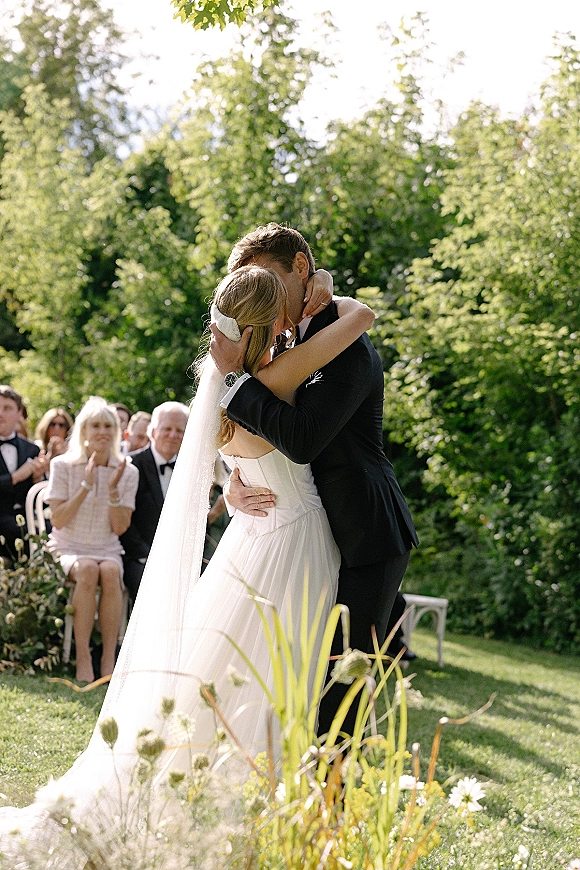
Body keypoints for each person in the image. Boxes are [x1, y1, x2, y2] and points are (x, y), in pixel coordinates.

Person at [0, 264, 375, 856]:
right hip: (296, 544)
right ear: (269, 324)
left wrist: (233, 484)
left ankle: (261, 810)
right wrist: (326, 298)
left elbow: (232, 454)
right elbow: (359, 319)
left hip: (255, 543)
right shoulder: (276, 378)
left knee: (230, 677)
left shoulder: (217, 381)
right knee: (278, 678)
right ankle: (273, 817)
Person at [210, 223, 419, 736]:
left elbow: (302, 440)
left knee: (343, 682)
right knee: (301, 671)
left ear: (301, 269)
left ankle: (332, 804)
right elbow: (243, 437)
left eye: (268, 280)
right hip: (313, 533)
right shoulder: (286, 342)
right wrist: (231, 479)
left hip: (367, 533)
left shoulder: (347, 344)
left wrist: (234, 382)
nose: (260, 299)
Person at [44, 397, 139, 682]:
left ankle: (108, 658)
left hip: (106, 547)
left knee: (109, 571)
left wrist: (111, 489)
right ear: (84, 430)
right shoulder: (63, 465)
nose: (102, 432)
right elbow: (58, 520)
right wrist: (86, 484)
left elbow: (120, 528)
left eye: (108, 426)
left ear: (116, 431)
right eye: (95, 425)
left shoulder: (128, 471)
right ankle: (83, 657)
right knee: (87, 569)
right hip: (67, 546)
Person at [120, 401, 189, 603]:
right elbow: (125, 522)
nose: (173, 435)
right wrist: (148, 556)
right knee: (153, 591)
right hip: (139, 557)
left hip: (180, 558)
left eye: (179, 430)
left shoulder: (190, 469)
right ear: (152, 431)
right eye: (166, 428)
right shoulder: (131, 466)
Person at [0, 385, 49, 561]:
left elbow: (42, 502)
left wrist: (37, 479)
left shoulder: (32, 449)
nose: (1, 413)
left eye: (7, 408)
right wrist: (16, 477)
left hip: (28, 518)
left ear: (19, 413)